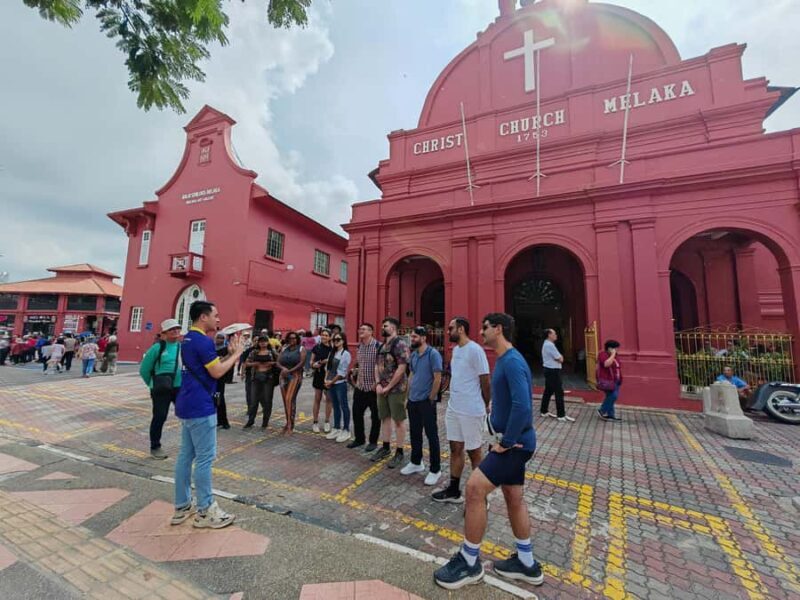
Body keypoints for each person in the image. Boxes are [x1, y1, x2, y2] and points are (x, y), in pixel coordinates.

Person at [434, 313, 542, 590]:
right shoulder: (506, 360)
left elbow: (523, 406)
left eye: (485, 327)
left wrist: (506, 441)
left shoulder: (513, 361)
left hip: (514, 447)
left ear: (499, 329)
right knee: (513, 497)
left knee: (473, 489)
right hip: (516, 442)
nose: (481, 332)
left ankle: (470, 562)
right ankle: (527, 563)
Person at [172, 300, 243, 529]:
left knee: (186, 456)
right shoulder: (202, 341)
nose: (218, 319)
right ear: (203, 317)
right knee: (204, 459)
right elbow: (217, 372)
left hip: (187, 403)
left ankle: (182, 505)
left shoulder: (188, 339)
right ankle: (206, 510)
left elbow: (208, 367)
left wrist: (227, 355)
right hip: (200, 406)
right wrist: (236, 355)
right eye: (215, 315)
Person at [432, 317, 490, 504]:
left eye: (451, 329)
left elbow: (485, 380)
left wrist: (486, 404)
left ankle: (481, 496)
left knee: (474, 452)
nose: (447, 332)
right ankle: (454, 490)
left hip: (471, 409)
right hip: (454, 408)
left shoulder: (475, 350)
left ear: (462, 329)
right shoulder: (456, 350)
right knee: (455, 448)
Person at [403, 326, 443, 486]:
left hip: (426, 402)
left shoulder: (433, 354)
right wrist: (407, 396)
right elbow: (411, 374)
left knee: (431, 435)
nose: (412, 340)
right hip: (413, 401)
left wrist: (431, 398)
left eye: (415, 337)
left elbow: (438, 378)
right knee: (414, 432)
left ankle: (435, 469)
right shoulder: (413, 355)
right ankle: (416, 462)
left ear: (424, 338)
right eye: (411, 337)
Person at [139, 319, 183, 459]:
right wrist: (152, 384)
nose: (176, 331)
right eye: (172, 329)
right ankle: (155, 446)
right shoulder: (157, 348)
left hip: (178, 387)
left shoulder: (181, 347)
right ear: (164, 333)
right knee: (160, 417)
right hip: (161, 389)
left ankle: (189, 444)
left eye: (177, 328)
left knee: (186, 415)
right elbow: (144, 370)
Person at [372, 317, 410, 468]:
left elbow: (402, 368)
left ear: (393, 328)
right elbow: (377, 366)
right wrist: (378, 384)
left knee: (399, 420)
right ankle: (385, 447)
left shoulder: (400, 344)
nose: (382, 327)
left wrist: (388, 387)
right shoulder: (382, 346)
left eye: (385, 325)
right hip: (382, 388)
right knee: (385, 418)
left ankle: (399, 452)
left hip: (396, 389)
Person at [349, 323, 381, 452]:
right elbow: (359, 364)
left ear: (371, 332)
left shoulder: (378, 346)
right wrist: (355, 374)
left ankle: (373, 441)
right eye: (360, 329)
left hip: (373, 388)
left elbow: (381, 366)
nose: (360, 331)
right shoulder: (360, 346)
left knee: (375, 416)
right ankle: (359, 439)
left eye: (363, 329)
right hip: (360, 387)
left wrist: (377, 383)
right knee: (357, 414)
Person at [244, 336, 278, 429]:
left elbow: (278, 362)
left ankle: (265, 421)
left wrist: (271, 363)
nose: (263, 343)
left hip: (268, 378)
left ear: (268, 342)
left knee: (267, 400)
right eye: (261, 341)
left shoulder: (272, 352)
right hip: (256, 377)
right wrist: (254, 364)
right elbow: (247, 363)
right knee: (253, 400)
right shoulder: (254, 352)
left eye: (265, 341)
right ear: (258, 343)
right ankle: (251, 420)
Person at [540, 329, 573, 422]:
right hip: (553, 371)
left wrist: (559, 358)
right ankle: (561, 415)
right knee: (559, 392)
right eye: (554, 333)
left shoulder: (547, 344)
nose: (556, 335)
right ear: (549, 335)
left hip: (549, 369)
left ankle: (544, 411)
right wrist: (561, 357)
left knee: (548, 391)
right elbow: (560, 359)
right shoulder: (549, 345)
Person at [325, 333, 352, 443]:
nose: (335, 341)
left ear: (343, 341)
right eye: (334, 339)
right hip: (331, 383)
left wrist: (331, 381)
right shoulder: (332, 353)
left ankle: (346, 429)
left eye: (338, 339)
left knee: (344, 406)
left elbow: (342, 372)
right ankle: (336, 427)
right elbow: (328, 367)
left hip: (340, 383)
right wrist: (326, 380)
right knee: (335, 406)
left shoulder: (345, 354)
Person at [277, 331, 306, 434]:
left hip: (295, 375)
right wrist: (283, 368)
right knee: (286, 400)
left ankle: (290, 424)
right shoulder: (284, 348)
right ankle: (288, 422)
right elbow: (277, 362)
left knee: (289, 399)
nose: (292, 340)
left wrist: (290, 370)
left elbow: (302, 363)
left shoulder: (301, 349)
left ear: (297, 339)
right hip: (283, 376)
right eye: (290, 338)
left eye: (294, 338)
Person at [310, 329, 333, 433]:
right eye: (322, 335)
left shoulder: (333, 349)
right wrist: (314, 364)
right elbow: (311, 362)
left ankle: (327, 422)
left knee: (329, 399)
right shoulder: (317, 347)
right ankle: (315, 422)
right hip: (319, 374)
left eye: (326, 335)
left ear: (330, 337)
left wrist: (328, 361)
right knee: (317, 398)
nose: (324, 337)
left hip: (329, 376)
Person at [596, 339, 623, 422]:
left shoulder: (616, 356)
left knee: (610, 397)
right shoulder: (603, 354)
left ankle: (611, 415)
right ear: (610, 348)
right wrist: (613, 354)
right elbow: (606, 364)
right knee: (613, 396)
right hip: (607, 380)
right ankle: (602, 410)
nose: (617, 350)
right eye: (615, 348)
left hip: (616, 380)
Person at [214, 333, 233, 429]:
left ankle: (224, 421)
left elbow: (227, 361)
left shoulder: (226, 349)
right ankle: (217, 420)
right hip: (211, 377)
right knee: (214, 398)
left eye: (222, 338)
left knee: (220, 398)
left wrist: (225, 357)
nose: (220, 340)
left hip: (220, 377)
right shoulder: (211, 348)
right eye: (218, 337)